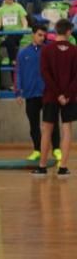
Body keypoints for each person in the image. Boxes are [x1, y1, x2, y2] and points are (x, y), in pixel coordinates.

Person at [33, 20, 77, 177]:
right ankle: (63, 168)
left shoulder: (46, 50)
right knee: (67, 130)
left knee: (46, 130)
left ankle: (42, 167)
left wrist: (58, 94)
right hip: (70, 98)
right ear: (68, 32)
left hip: (51, 95)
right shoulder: (74, 50)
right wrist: (67, 94)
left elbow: (45, 74)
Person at [15, 26, 60, 162]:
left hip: (48, 93)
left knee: (52, 122)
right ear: (32, 35)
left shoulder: (49, 51)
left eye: (44, 35)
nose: (42, 38)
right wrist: (18, 92)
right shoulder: (23, 53)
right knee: (34, 125)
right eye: (39, 35)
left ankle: (56, 149)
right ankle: (37, 150)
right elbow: (18, 72)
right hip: (30, 94)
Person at [0, 0, 28, 64]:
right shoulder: (1, 9)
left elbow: (24, 21)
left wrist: (24, 28)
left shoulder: (18, 7)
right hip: (7, 35)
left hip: (18, 33)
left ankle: (13, 60)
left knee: (10, 39)